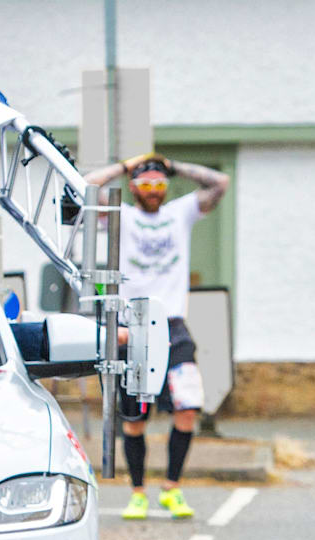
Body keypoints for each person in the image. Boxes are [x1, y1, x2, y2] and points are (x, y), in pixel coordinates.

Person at [83, 152, 230, 520]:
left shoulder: (179, 213)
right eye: (145, 184)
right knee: (135, 418)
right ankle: (137, 492)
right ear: (133, 188)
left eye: (158, 184)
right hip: (132, 325)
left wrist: (171, 165)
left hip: (174, 326)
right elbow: (85, 187)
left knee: (188, 406)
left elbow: (219, 183)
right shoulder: (123, 216)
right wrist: (123, 167)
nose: (152, 190)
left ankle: (172, 488)